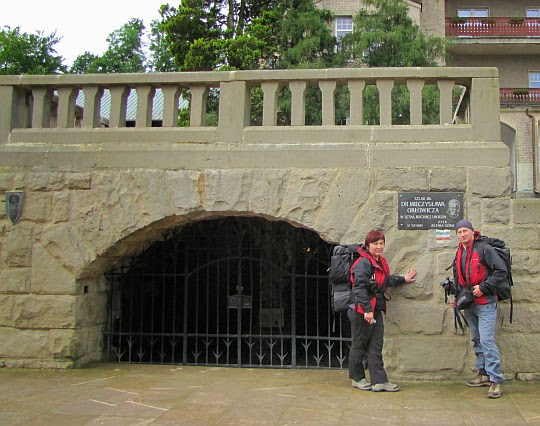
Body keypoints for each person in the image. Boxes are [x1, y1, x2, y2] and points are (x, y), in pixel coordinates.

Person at [348, 230, 416, 392]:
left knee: (376, 345)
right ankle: (357, 378)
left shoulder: (380, 262)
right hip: (361, 311)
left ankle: (379, 381)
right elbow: (359, 288)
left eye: (381, 243)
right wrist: (366, 310)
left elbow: (385, 281)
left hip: (375, 309)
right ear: (367, 245)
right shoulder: (363, 263)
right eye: (375, 243)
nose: (379, 246)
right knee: (359, 344)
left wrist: (402, 279)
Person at [450, 220, 509, 399]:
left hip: (486, 302)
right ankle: (483, 373)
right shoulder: (459, 252)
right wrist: (457, 298)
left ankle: (495, 380)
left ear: (472, 231)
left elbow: (501, 271)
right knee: (476, 339)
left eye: (465, 230)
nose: (462, 234)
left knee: (487, 340)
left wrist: (483, 288)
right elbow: (459, 278)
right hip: (470, 305)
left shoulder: (484, 249)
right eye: (459, 231)